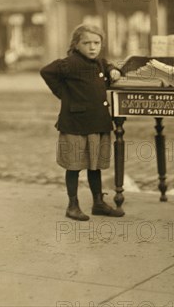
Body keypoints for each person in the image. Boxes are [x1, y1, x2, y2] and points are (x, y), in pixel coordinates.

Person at [40, 24, 124, 221]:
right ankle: (73, 205)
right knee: (75, 165)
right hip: (76, 125)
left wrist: (113, 70)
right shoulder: (70, 63)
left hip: (97, 122)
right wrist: (64, 94)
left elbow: (109, 65)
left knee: (94, 165)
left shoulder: (100, 63)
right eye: (86, 43)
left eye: (97, 43)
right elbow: (47, 72)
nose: (92, 47)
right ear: (76, 45)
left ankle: (98, 203)